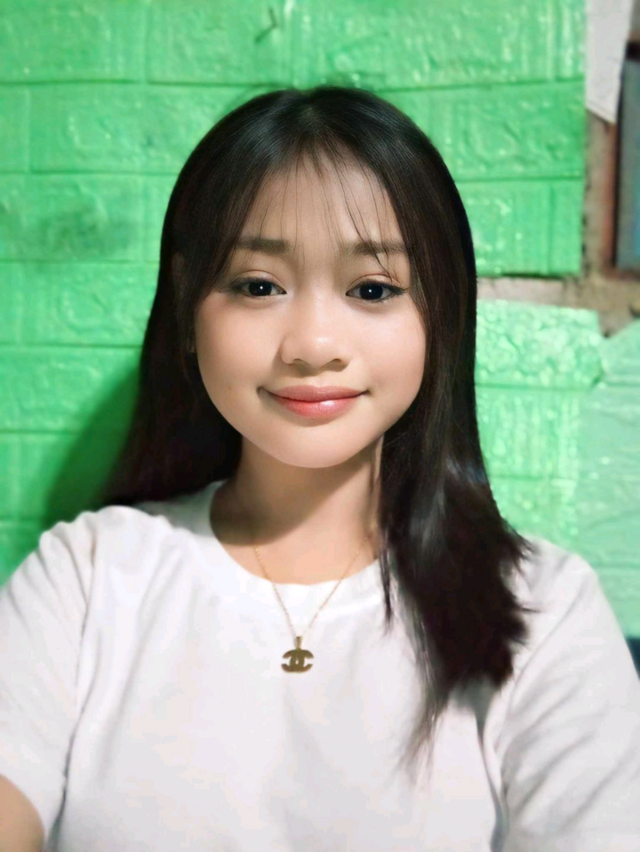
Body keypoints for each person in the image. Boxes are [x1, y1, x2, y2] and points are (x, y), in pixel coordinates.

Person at [1, 85, 639, 852]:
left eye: (372, 289)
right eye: (258, 286)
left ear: (439, 315)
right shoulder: (86, 578)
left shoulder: (545, 610)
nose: (312, 345)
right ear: (187, 305)